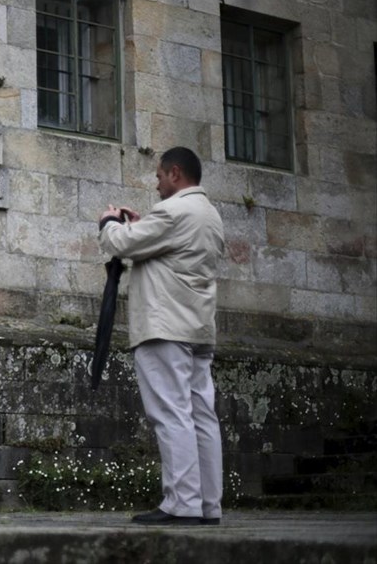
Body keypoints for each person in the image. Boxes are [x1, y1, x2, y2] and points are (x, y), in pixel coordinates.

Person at [97, 146, 225, 526]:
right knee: (202, 416)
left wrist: (109, 221)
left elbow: (120, 244)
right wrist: (139, 226)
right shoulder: (210, 215)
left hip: (165, 327)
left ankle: (182, 503)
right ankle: (208, 505)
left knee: (171, 414)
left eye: (157, 176)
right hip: (198, 328)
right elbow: (163, 249)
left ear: (174, 173)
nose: (156, 184)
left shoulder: (174, 210)